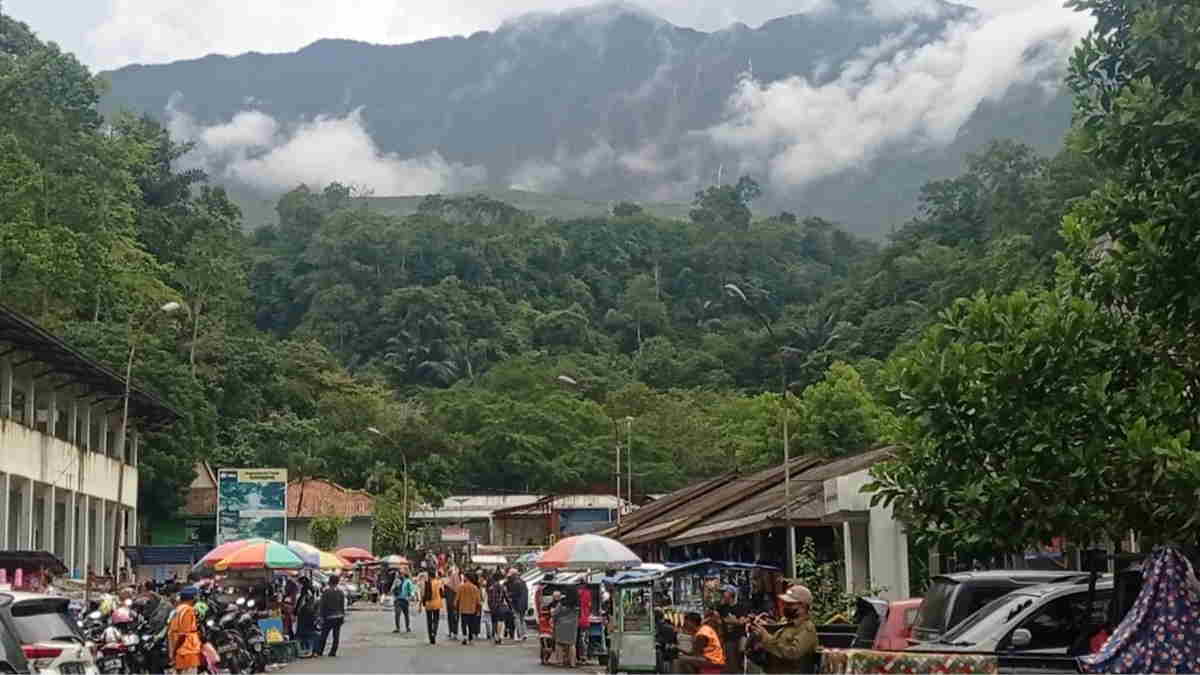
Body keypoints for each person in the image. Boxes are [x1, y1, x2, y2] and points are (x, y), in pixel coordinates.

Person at [750, 585, 818, 674]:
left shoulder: (806, 628)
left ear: (803, 606)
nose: (785, 606)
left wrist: (766, 638)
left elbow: (793, 653)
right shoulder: (785, 624)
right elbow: (774, 647)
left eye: (790, 604)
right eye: (785, 603)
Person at [167, 586, 202, 675]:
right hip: (187, 652)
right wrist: (175, 651)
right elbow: (183, 634)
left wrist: (173, 652)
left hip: (179, 652)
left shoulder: (177, 610)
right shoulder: (188, 610)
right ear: (193, 598)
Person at [716, 587, 750, 673]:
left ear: (731, 594)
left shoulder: (741, 606)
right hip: (728, 638)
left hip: (740, 636)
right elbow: (717, 620)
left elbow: (742, 622)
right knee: (731, 661)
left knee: (741, 658)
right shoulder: (722, 607)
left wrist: (731, 621)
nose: (723, 595)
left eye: (725, 592)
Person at [316, 574, 347, 658]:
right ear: (337, 582)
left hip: (329, 617)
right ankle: (333, 652)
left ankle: (320, 651)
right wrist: (343, 616)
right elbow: (342, 605)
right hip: (339, 616)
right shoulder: (341, 592)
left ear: (329, 582)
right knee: (336, 635)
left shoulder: (326, 592)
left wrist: (320, 616)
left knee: (324, 635)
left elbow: (322, 605)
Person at [551, 590, 579, 667]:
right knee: (572, 644)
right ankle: (572, 663)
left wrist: (553, 618)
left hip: (561, 625)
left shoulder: (562, 602)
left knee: (559, 644)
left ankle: (560, 662)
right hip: (572, 626)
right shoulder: (577, 604)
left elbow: (555, 613)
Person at [295, 577, 320, 658]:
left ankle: (307, 650)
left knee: (304, 633)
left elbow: (302, 603)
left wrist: (296, 611)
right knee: (307, 633)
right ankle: (310, 650)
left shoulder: (306, 591)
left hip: (305, 615)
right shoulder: (311, 589)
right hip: (309, 615)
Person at [457, 572, 483, 645]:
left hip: (463, 608)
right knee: (471, 624)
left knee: (464, 623)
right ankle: (470, 638)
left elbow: (457, 598)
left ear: (466, 578)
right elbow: (478, 600)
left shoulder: (461, 587)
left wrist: (455, 606)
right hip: (472, 609)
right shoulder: (475, 588)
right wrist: (478, 608)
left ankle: (464, 637)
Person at [487, 571, 512, 645]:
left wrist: (490, 606)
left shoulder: (491, 587)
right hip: (499, 606)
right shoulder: (502, 587)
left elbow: (489, 598)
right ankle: (499, 637)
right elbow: (506, 597)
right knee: (500, 621)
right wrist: (510, 606)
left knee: (494, 621)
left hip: (492, 607)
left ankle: (495, 636)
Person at [421, 572, 445, 645]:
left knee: (429, 620)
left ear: (429, 576)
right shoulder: (439, 582)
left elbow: (423, 594)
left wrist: (422, 603)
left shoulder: (426, 583)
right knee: (436, 619)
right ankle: (434, 632)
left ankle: (430, 637)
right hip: (437, 603)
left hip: (428, 604)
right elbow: (442, 593)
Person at [506, 569, 529, 642]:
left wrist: (509, 595)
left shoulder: (515, 583)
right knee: (522, 619)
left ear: (514, 575)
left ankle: (520, 635)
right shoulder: (523, 582)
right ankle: (524, 634)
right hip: (524, 604)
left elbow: (514, 594)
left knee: (517, 619)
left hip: (517, 604)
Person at [445, 566, 461, 641]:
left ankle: (452, 632)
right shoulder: (454, 584)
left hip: (451, 603)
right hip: (454, 603)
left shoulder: (448, 584)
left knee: (452, 617)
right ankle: (454, 632)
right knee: (455, 617)